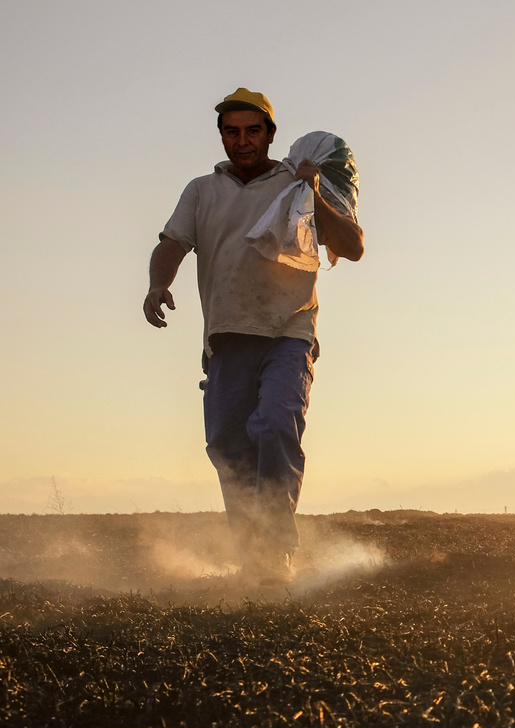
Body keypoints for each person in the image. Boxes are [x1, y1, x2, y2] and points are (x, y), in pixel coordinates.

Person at [143, 89, 364, 584]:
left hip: (289, 331)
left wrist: (316, 190)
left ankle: (276, 552)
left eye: (253, 131)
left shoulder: (296, 181)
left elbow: (352, 247)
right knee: (226, 443)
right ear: (221, 135)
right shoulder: (201, 190)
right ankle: (252, 552)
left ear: (270, 135)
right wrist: (159, 283)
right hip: (226, 335)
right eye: (232, 132)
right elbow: (172, 243)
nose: (242, 141)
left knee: (275, 423)